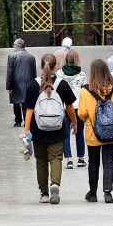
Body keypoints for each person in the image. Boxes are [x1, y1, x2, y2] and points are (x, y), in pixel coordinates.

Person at [24, 53, 78, 204]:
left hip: (37, 129)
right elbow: (69, 107)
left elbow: (29, 110)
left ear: (41, 67)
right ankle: (55, 183)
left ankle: (44, 193)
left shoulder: (33, 84)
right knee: (56, 158)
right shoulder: (62, 84)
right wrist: (74, 122)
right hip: (57, 129)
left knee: (41, 160)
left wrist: (26, 131)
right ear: (56, 66)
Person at [78, 59, 113, 204]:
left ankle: (92, 193)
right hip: (111, 133)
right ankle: (108, 192)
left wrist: (92, 119)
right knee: (108, 161)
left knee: (93, 162)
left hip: (93, 132)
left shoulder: (86, 90)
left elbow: (82, 113)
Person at [55, 50, 87, 169]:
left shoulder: (59, 73)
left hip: (64, 107)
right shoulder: (82, 74)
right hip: (78, 106)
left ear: (66, 59)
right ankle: (80, 158)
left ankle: (69, 159)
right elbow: (85, 92)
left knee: (66, 135)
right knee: (79, 133)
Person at [6, 39, 36, 127]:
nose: (13, 46)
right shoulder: (31, 57)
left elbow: (9, 72)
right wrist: (35, 85)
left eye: (14, 44)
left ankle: (18, 121)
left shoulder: (12, 56)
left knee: (16, 102)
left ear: (18, 45)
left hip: (16, 82)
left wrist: (8, 86)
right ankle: (27, 120)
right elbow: (34, 72)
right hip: (29, 82)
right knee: (26, 102)